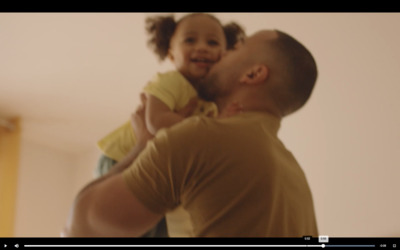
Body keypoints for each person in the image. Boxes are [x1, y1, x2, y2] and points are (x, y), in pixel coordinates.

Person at [63, 29, 319, 237]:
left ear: (253, 74)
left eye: (236, 49)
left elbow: (83, 226)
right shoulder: (296, 179)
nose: (222, 54)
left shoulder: (204, 137)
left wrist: (143, 145)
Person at [94, 13, 245, 237]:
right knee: (126, 225)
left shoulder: (211, 99)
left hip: (157, 168)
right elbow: (156, 122)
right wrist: (209, 127)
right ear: (171, 54)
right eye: (190, 40)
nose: (202, 47)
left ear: (226, 54)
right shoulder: (171, 82)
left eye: (212, 42)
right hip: (121, 158)